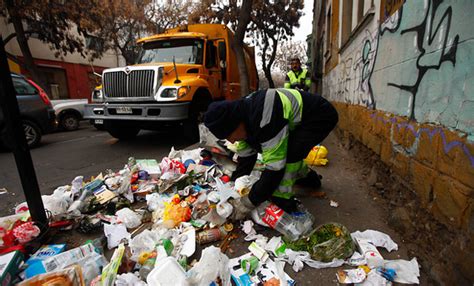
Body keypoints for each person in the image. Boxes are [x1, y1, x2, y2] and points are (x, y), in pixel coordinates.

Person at [204, 88, 338, 220]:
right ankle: (310, 179)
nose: (231, 141)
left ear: (236, 123)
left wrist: (247, 203)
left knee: (290, 155)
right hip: (293, 119)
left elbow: (275, 168)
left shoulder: (264, 120)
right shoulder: (243, 115)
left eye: (229, 135)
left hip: (318, 116)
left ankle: (284, 200)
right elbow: (246, 157)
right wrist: (234, 183)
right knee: (271, 149)